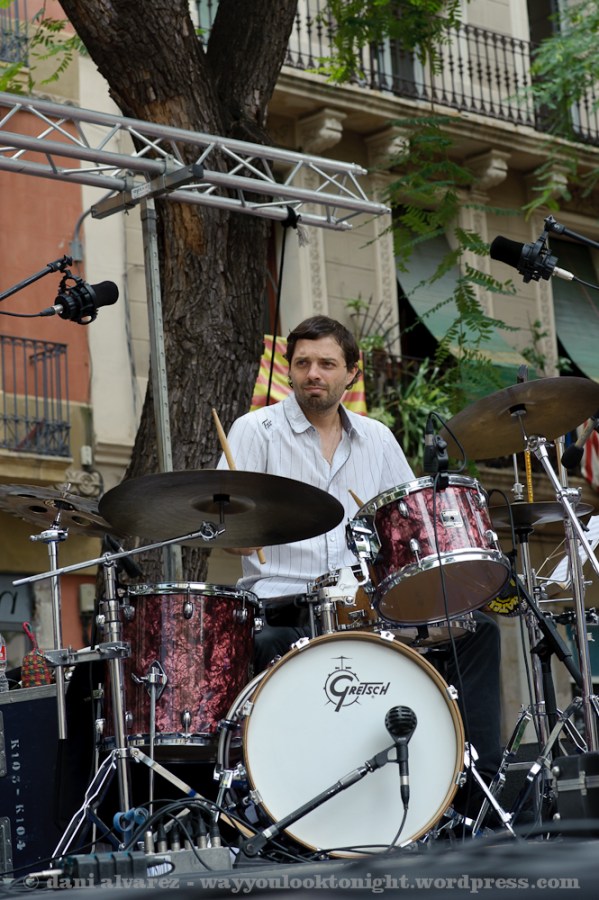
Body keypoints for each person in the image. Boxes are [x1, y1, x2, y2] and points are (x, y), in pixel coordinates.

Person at [218, 315, 502, 811]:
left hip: (367, 605)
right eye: (303, 363)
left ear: (352, 372)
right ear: (288, 370)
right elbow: (225, 528)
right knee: (261, 645)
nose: (313, 374)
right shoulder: (255, 431)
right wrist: (240, 534)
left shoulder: (378, 438)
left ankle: (477, 799)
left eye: (327, 364)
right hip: (286, 604)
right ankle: (282, 798)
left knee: (478, 632)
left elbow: (409, 527)